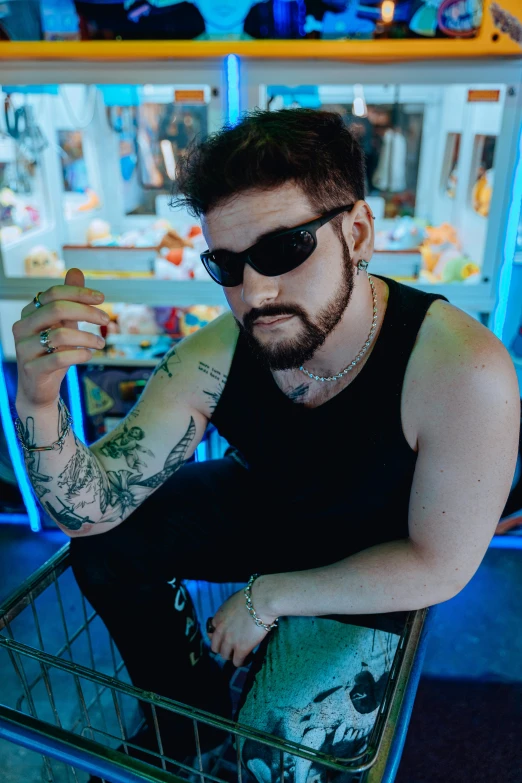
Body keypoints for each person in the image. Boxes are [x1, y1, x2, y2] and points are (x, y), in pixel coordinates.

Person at [12, 109, 520, 782]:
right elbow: (92, 509)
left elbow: (439, 564)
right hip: (277, 509)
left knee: (272, 751)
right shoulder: (218, 352)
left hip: (381, 553)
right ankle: (185, 717)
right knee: (106, 547)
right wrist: (39, 401)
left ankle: (237, 726)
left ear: (358, 231)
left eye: (284, 249)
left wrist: (268, 598)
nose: (255, 291)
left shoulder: (462, 369)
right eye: (226, 263)